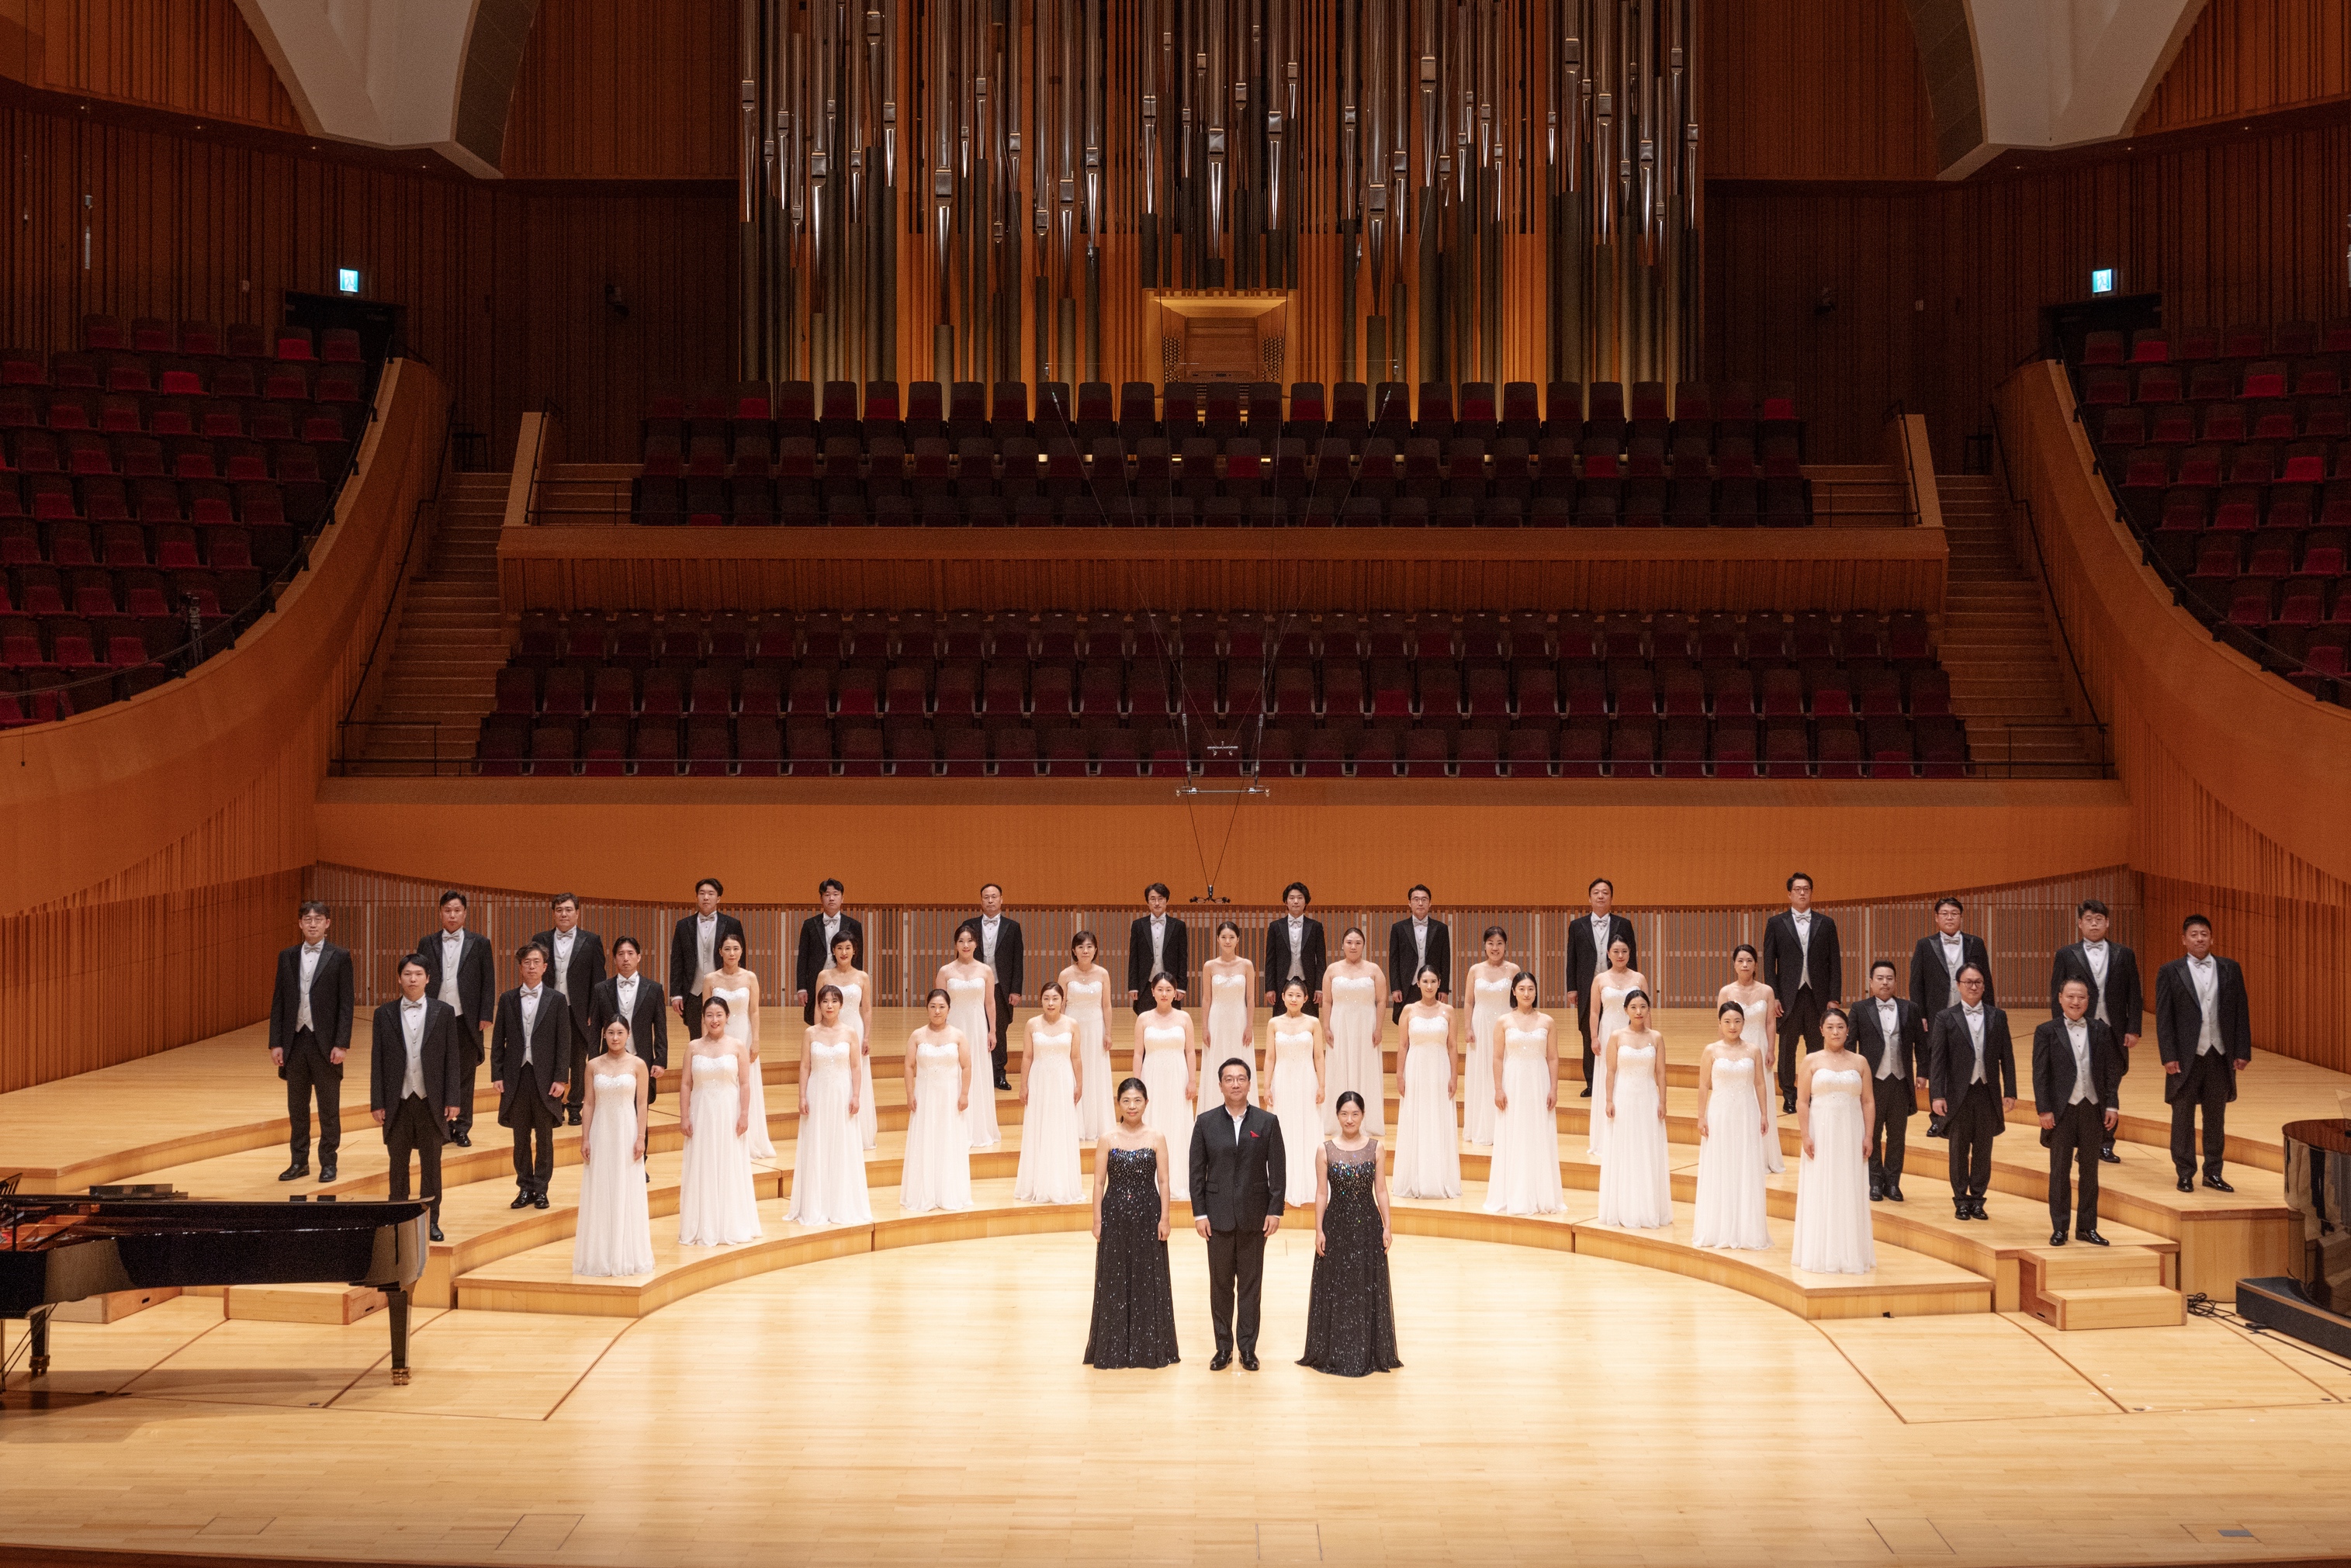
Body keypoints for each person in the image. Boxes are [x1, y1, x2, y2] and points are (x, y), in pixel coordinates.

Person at [1189, 1057, 1286, 1371]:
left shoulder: (1267, 1122)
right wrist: (1200, 1214)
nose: (1235, 1084)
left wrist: (1275, 1210)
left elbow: (1278, 1171)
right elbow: (1196, 1173)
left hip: (1254, 1217)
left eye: (1241, 1078)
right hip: (1216, 1218)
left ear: (1249, 1084)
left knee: (1250, 1287)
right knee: (1219, 1286)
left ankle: (1247, 1348)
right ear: (1220, 1085)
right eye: (1229, 1079)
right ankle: (1223, 1348)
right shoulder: (1205, 1122)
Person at [1297, 1089, 1401, 1377]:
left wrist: (1387, 1225)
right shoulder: (1325, 1150)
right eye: (1344, 1114)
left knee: (1365, 1286)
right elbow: (1321, 1193)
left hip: (1368, 1226)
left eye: (1355, 1114)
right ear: (1337, 1116)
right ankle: (1337, 1350)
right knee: (1338, 1287)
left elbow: (1381, 1190)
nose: (1350, 1119)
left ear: (1363, 1115)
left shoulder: (1376, 1148)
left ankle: (1366, 1350)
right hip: (1336, 1226)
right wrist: (1318, 1229)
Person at [1082, 1078, 1179, 1369]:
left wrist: (1165, 1218)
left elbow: (1164, 1181)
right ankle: (1113, 1347)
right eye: (1126, 1101)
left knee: (1148, 1278)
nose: (1132, 1106)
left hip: (1149, 1214)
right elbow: (1098, 1182)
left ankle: (1148, 1347)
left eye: (1137, 1100)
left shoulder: (1157, 1137)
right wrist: (1097, 1220)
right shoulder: (1107, 1138)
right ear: (1119, 1104)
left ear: (1146, 1103)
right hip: (1114, 1214)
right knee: (1114, 1279)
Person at [2154, 914, 2253, 1193]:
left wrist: (2242, 1050)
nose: (2199, 939)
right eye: (2194, 935)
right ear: (2184, 940)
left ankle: (2213, 1172)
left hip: (2219, 1054)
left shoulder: (2230, 968)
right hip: (2185, 1056)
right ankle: (2185, 1172)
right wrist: (2168, 1055)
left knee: (2215, 1117)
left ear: (2212, 938)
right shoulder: (2170, 971)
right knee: (2182, 1116)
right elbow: (2164, 1018)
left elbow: (2241, 1012)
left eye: (2204, 934)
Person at [369, 955, 465, 1241]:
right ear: (399, 978)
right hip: (397, 1101)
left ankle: (431, 1221)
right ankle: (398, 1223)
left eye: (418, 974)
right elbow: (377, 1060)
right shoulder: (384, 1013)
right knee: (397, 1166)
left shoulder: (444, 1012)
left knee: (431, 1166)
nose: (413, 979)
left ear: (428, 979)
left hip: (430, 1100)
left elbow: (452, 1058)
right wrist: (377, 1101)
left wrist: (453, 1098)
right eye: (408, 974)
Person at [2050, 898, 2143, 1164]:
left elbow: (2134, 994)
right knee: (2081, 1083)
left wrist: (2133, 1028)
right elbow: (2056, 994)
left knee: (2111, 1084)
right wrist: (2059, 1030)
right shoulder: (2067, 954)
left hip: (2114, 1031)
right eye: (2089, 920)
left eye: (2099, 920)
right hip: (2078, 1028)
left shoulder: (2124, 954)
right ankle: (2082, 1143)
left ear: (2107, 923)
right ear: (2080, 923)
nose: (2094, 924)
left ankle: (2105, 1144)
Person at [269, 901, 355, 1183]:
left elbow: (346, 1004)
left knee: (328, 1108)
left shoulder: (340, 956)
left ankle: (328, 1162)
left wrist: (341, 1043)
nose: (313, 924)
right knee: (297, 1107)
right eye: (308, 919)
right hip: (295, 1041)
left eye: (318, 919)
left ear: (328, 923)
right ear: (300, 924)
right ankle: (299, 1162)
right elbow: (279, 1001)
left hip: (326, 1043)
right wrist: (276, 1042)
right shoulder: (287, 956)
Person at [2034, 979, 2123, 1246]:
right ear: (2060, 998)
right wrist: (2045, 1109)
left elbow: (2111, 1071)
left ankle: (2087, 1227)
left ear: (2089, 1000)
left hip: (2092, 1108)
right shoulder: (2046, 1031)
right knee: (2060, 1171)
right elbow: (2041, 1074)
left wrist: (2112, 1104)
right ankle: (2060, 1227)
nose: (2076, 1002)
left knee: (2090, 1172)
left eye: (2081, 997)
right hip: (2062, 1111)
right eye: (2071, 996)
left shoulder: (2101, 1030)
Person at [490, 942, 576, 1213]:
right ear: (520, 967)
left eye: (536, 962)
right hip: (516, 1076)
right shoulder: (507, 999)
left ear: (545, 967)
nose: (531, 966)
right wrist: (497, 1074)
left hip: (546, 1078)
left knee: (544, 1137)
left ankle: (541, 1188)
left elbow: (564, 1042)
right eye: (526, 962)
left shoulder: (557, 999)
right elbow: (498, 1041)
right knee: (520, 1137)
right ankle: (524, 1187)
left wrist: (561, 1078)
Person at [1790, 1006, 1877, 1273]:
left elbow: (1868, 1101)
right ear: (1821, 1031)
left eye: (1840, 1027)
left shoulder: (1860, 1062)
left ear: (1848, 1030)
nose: (1835, 1032)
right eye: (1830, 1027)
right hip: (1821, 1131)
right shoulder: (1811, 1061)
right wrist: (1805, 1134)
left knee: (1849, 1185)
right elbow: (1802, 1101)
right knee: (1821, 1185)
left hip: (1851, 1132)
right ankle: (1820, 1252)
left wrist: (1869, 1135)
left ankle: (1850, 1253)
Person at [1927, 964, 2017, 1221]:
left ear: (1984, 986)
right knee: (1958, 1150)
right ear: (1958, 986)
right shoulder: (1945, 1017)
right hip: (1957, 1095)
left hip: (1987, 1092)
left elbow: (2007, 1057)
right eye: (1968, 982)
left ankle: (1977, 1199)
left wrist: (2010, 1090)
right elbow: (1938, 1060)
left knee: (1983, 1149)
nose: (1973, 987)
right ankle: (1960, 1200)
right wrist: (1937, 1095)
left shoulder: (1998, 1016)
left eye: (1978, 982)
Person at [676, 995, 761, 1244]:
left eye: (719, 1015)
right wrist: (684, 1116)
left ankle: (730, 1223)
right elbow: (686, 1084)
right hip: (701, 1112)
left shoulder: (737, 1046)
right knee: (702, 1163)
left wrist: (744, 1114)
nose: (714, 1020)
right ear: (703, 1018)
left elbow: (744, 1084)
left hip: (728, 1113)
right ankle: (703, 1225)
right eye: (710, 1015)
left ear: (727, 1017)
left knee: (728, 1163)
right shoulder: (693, 1047)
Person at [786, 985, 872, 1226]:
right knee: (817, 1143)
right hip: (817, 1093)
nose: (830, 1005)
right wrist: (802, 1097)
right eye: (825, 1001)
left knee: (841, 1143)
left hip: (842, 1093)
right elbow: (805, 1066)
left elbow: (855, 1067)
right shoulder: (810, 1033)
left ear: (841, 1005)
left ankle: (841, 1203)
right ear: (819, 1005)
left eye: (834, 1001)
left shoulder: (850, 1033)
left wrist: (856, 1095)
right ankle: (815, 1204)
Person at [573, 1019, 653, 1275]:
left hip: (627, 1132)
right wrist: (585, 1138)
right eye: (610, 1033)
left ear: (628, 1034)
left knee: (625, 1187)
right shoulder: (593, 1065)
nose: (615, 1037)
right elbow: (589, 1104)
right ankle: (600, 1255)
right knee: (600, 1188)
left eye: (620, 1033)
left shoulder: (638, 1065)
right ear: (604, 1035)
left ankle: (625, 1254)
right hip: (601, 1132)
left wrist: (640, 1137)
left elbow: (642, 1104)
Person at [414, 890, 494, 1147]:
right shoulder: (427, 942)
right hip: (434, 1018)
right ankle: (440, 1126)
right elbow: (418, 976)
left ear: (465, 913)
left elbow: (488, 980)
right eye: (447, 910)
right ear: (440, 913)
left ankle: (461, 1127)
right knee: (435, 1072)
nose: (452, 915)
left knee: (465, 1075)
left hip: (465, 1018)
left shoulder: (479, 943)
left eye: (457, 910)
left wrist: (485, 1014)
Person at [1691, 1001, 1771, 1249]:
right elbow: (1703, 1085)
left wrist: (1764, 1114)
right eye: (1727, 1021)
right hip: (1720, 1114)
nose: (1732, 1026)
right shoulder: (1711, 1051)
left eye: (1737, 1021)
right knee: (1721, 1164)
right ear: (1719, 1023)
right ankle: (1719, 1227)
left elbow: (1760, 1083)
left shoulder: (1753, 1050)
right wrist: (1701, 1116)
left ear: (1744, 1023)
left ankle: (1746, 1229)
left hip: (1747, 1113)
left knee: (1745, 1164)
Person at [1484, 973, 1563, 1216]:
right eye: (1521, 988)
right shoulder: (1504, 1021)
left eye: (1530, 989)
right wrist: (1498, 1088)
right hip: (1513, 1082)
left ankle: (1540, 1194)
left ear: (1536, 991)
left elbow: (1553, 1057)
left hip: (1539, 1082)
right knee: (1514, 1132)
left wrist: (1553, 1088)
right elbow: (1497, 1057)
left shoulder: (1547, 1021)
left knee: (1538, 1132)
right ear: (1514, 992)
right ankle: (1514, 1193)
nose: (1526, 993)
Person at [1764, 872, 1842, 1114]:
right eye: (1797, 889)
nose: (1802, 893)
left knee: (1816, 1047)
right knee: (1787, 1049)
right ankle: (1789, 1094)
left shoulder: (1826, 923)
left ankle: (1814, 1092)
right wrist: (1774, 996)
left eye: (1806, 889)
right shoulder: (1776, 923)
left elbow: (1835, 963)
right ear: (1789, 894)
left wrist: (1834, 997)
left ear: (1811, 893)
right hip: (1788, 996)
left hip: (1818, 996)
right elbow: (1769, 964)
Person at [1851, 959, 1927, 1203]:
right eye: (1880, 978)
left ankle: (1893, 1183)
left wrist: (1922, 1072)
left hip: (1900, 1081)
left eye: (1890, 978)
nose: (1885, 983)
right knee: (1872, 1134)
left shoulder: (1910, 1008)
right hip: (1871, 1082)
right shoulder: (1860, 1009)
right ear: (1871, 982)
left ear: (1895, 982)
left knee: (1897, 1135)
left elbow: (1921, 1044)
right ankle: (1875, 1182)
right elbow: (1850, 1046)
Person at [1594, 989, 1671, 1229]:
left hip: (1648, 1098)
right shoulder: (1616, 1036)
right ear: (1626, 1010)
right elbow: (1610, 1071)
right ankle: (1623, 1207)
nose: (1639, 1012)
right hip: (1624, 1098)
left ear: (1649, 1010)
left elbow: (1661, 1073)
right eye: (1634, 1007)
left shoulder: (1656, 1037)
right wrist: (1609, 1100)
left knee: (1646, 1149)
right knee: (1625, 1149)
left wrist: (1663, 1101)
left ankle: (1648, 1208)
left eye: (1643, 1007)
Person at [532, 893, 607, 1129]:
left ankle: (575, 1106)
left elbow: (599, 980)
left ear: (577, 913)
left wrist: (594, 1011)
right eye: (559, 910)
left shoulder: (591, 940)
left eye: (568, 910)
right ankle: (553, 1106)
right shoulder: (540, 939)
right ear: (553, 913)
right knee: (550, 1058)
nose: (563, 914)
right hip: (548, 1009)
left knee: (578, 1059)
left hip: (579, 1010)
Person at [901, 990, 975, 1214]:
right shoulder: (917, 1036)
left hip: (950, 1097)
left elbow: (966, 1066)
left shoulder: (958, 1036)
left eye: (942, 1007)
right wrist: (910, 1094)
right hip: (925, 1096)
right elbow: (909, 1066)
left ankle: (948, 1192)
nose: (937, 1011)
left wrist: (964, 1094)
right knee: (926, 1138)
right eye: (933, 1006)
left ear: (949, 1009)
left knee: (948, 1139)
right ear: (927, 1008)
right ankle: (924, 1192)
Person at [1389, 967, 1461, 1199]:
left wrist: (1454, 1076)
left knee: (1438, 1117)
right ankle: (1414, 1178)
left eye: (1433, 981)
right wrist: (1399, 1075)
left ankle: (1439, 1178)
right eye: (1425, 981)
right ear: (1418, 983)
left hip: (1440, 1069)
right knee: (1416, 1117)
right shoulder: (1408, 1010)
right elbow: (1403, 1045)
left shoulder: (1448, 1011)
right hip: (1416, 1069)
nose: (1429, 986)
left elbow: (1452, 1046)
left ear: (1440, 983)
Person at [1013, 983, 1086, 1204]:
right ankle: (1037, 1183)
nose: (1051, 1003)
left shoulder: (1072, 1024)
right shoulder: (1032, 1024)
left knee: (1060, 1127)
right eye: (1046, 998)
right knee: (1039, 1127)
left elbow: (1076, 1057)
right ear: (1041, 1001)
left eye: (1055, 998)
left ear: (1062, 1001)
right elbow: (1027, 1057)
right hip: (1039, 1081)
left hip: (1063, 1080)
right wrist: (1023, 1085)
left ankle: (1060, 1184)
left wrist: (1079, 1084)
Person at [1565, 877, 1636, 1099]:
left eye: (1605, 892)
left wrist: (1634, 989)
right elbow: (1572, 958)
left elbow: (1632, 956)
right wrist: (1572, 988)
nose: (1601, 896)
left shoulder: (1624, 924)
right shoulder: (1577, 925)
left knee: (1623, 1030)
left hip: (1619, 987)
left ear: (1611, 898)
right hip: (1588, 988)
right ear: (1590, 898)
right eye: (1596, 892)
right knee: (1590, 1034)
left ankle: (1624, 1078)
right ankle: (1592, 1082)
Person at [705, 934, 773, 1159]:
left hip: (743, 1035)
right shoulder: (710, 979)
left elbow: (754, 1011)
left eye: (736, 948)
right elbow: (705, 1014)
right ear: (720, 952)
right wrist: (704, 1043)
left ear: (742, 951)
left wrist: (756, 1040)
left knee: (744, 1082)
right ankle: (722, 1136)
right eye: (727, 949)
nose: (732, 953)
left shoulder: (750, 977)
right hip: (717, 1035)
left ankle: (748, 1138)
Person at [1718, 944, 1783, 1175]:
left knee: (1761, 1098)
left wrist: (1771, 1050)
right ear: (1734, 965)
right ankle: (1738, 1153)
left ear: (1756, 965)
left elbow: (1770, 1022)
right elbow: (1721, 1025)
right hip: (1734, 1050)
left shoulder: (1766, 991)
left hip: (1760, 1049)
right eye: (1740, 961)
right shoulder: (1726, 992)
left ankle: (1762, 1156)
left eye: (1749, 961)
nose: (1745, 965)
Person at [1133, 974, 1199, 1194]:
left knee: (1177, 1123)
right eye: (1160, 989)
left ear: (1175, 993)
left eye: (1168, 990)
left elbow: (1190, 1052)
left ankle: (1177, 1178)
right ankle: (1149, 1180)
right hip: (1151, 1076)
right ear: (1152, 992)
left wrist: (1192, 1080)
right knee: (1153, 1122)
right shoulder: (1143, 1019)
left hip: (1178, 1077)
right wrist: (1136, 1085)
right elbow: (1138, 1053)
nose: (1164, 994)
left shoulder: (1184, 1018)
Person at [1265, 979, 1328, 1205]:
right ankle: (1281, 1184)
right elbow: (1270, 1057)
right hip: (1282, 1081)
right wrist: (1266, 1086)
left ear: (1306, 999)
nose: (1294, 999)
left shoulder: (1313, 1023)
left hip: (1306, 1081)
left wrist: (1322, 1085)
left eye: (1298, 995)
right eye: (1290, 995)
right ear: (1283, 997)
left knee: (1306, 1125)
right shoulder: (1274, 1023)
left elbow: (1319, 1056)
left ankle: (1307, 1183)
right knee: (1282, 1127)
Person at [1584, 938, 1647, 1161]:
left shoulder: (1639, 978)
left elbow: (1647, 1010)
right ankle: (1606, 1138)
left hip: (1636, 1033)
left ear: (1630, 953)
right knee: (1609, 1078)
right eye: (1616, 951)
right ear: (1608, 954)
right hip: (1608, 1032)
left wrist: (1649, 1038)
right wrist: (1594, 1037)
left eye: (1625, 951)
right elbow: (1594, 1011)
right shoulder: (1600, 979)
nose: (1620, 955)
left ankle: (1633, 1137)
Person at [938, 923, 1001, 1149]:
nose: (966, 945)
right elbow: (939, 1004)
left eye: (970, 941)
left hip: (977, 1027)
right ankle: (953, 1128)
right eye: (961, 941)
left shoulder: (985, 971)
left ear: (976, 944)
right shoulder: (946, 971)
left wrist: (992, 1030)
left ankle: (978, 1128)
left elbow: (990, 1002)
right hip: (953, 1027)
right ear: (955, 944)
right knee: (953, 1072)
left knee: (977, 1071)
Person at [1319, 929, 1387, 1136]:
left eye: (1358, 942)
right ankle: (1336, 1120)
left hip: (1366, 1025)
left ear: (1363, 945)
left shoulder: (1374, 969)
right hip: (1340, 1025)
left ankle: (1367, 1120)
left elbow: (1381, 1000)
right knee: (1339, 1066)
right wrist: (1326, 1027)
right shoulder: (1332, 970)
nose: (1353, 946)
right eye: (1349, 942)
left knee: (1365, 1066)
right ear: (1343, 945)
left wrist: (1378, 1028)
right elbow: (1327, 1001)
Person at [814, 933, 878, 1151]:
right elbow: (818, 1008)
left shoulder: (862, 977)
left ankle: (856, 1132)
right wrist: (817, 1035)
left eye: (848, 948)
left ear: (854, 951)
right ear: (833, 950)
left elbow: (867, 1009)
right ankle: (832, 1130)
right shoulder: (824, 975)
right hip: (828, 1031)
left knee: (855, 1075)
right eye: (839, 948)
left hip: (855, 1030)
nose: (843, 952)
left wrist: (866, 1036)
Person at [587, 936, 668, 1105]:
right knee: (609, 1108)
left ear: (638, 957)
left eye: (630, 953)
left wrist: (660, 1060)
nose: (626, 958)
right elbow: (595, 1030)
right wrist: (594, 1061)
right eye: (621, 954)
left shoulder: (653, 989)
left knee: (640, 1109)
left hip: (641, 1059)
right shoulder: (601, 989)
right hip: (608, 1061)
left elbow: (660, 1028)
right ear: (614, 958)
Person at [1461, 927, 1519, 1147]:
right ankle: (1481, 1127)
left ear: (1505, 946)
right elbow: (1469, 1002)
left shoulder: (1513, 970)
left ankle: (1505, 1127)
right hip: (1480, 1026)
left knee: (1505, 1072)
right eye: (1491, 943)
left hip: (1506, 1025)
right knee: (1482, 1073)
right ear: (1484, 946)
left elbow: (1520, 1000)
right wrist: (1468, 1027)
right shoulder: (1475, 970)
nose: (1495, 948)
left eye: (1499, 943)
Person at [1060, 931, 1117, 1142]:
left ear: (1095, 950)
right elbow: (1060, 1005)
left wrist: (1108, 1032)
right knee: (1073, 1072)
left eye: (1089, 947)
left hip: (1095, 1028)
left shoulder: (1102, 974)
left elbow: (1106, 1005)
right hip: (1072, 1027)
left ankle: (1095, 1124)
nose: (1085, 951)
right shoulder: (1066, 975)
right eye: (1081, 947)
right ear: (1074, 951)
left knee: (1094, 1072)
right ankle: (1073, 1125)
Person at [668, 877, 746, 1029]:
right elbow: (677, 960)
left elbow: (739, 959)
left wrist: (738, 988)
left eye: (711, 893)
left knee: (726, 1034)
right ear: (696, 897)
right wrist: (676, 993)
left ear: (718, 898)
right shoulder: (683, 925)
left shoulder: (732, 924)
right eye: (702, 893)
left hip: (724, 989)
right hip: (694, 992)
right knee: (697, 1037)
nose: (706, 897)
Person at [971, 883, 1024, 1092]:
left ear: (1002, 899)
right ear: (981, 901)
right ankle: (974, 1072)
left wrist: (1015, 990)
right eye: (986, 897)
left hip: (1001, 987)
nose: (990, 900)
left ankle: (999, 1074)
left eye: (994, 896)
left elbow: (1017, 961)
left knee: (999, 1031)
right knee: (976, 1027)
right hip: (975, 986)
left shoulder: (1013, 927)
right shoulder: (970, 925)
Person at [1200, 921, 1259, 1104]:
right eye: (1224, 937)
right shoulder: (1209, 966)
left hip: (1239, 1019)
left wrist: (1249, 1026)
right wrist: (1204, 1027)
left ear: (1237, 940)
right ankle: (1214, 1105)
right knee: (1216, 1059)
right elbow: (1206, 999)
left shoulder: (1246, 965)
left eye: (1231, 937)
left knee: (1241, 1057)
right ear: (1218, 939)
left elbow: (1250, 999)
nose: (1227, 941)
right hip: (1216, 1020)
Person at [793, 877, 864, 1025]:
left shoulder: (854, 925)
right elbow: (803, 958)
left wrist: (857, 985)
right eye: (827, 895)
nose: (831, 898)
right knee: (817, 1021)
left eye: (836, 894)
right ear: (821, 898)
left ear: (842, 898)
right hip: (818, 981)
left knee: (845, 1021)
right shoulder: (809, 925)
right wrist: (802, 988)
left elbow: (858, 958)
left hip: (845, 980)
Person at [1386, 884, 1452, 1022]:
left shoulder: (1441, 929)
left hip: (1432, 986)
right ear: (1409, 903)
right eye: (1416, 899)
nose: (1420, 903)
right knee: (1407, 1023)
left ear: (1430, 903)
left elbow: (1445, 961)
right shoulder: (1398, 928)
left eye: (1424, 899)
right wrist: (1395, 988)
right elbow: (1394, 961)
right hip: (1407, 986)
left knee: (1434, 1022)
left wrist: (1444, 989)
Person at [1262, 881, 1327, 1016]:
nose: (1296, 901)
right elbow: (1270, 960)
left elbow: (1321, 960)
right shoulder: (1275, 927)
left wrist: (1319, 988)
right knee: (1281, 1022)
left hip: (1308, 984)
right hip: (1282, 983)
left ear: (1306, 902)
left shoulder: (1315, 927)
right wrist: (1270, 988)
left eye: (1300, 898)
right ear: (1286, 902)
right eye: (1292, 898)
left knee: (1309, 1022)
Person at [1126, 884, 1190, 1012]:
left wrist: (1181, 986)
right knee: (1145, 1019)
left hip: (1171, 984)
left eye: (1160, 899)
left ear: (1167, 901)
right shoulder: (1138, 925)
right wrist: (1133, 986)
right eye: (1153, 899)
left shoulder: (1178, 926)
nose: (1157, 903)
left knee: (1170, 1020)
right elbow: (1133, 958)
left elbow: (1183, 958)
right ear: (1147, 902)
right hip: (1145, 984)